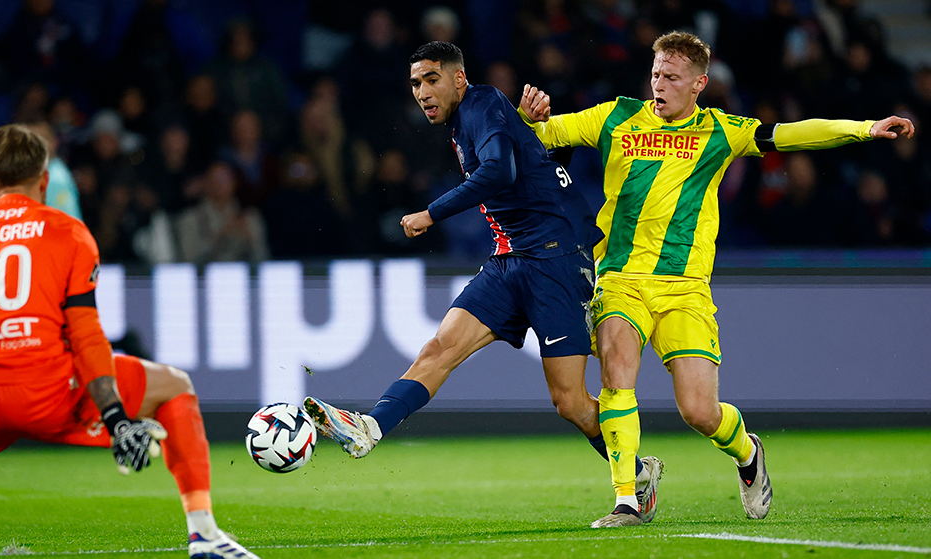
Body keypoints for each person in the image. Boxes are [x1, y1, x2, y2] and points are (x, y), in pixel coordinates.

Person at [517, 30, 916, 528]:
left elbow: (789, 134)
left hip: (685, 288)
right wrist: (529, 121)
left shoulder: (720, 131)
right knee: (617, 375)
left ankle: (747, 453)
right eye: (656, 73)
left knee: (699, 412)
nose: (659, 84)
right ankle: (627, 498)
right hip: (619, 277)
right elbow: (542, 137)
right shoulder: (616, 116)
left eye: (672, 77)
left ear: (699, 84)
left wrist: (863, 128)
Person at [0, 125, 258, 559]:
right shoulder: (68, 232)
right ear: (44, 179)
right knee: (175, 385)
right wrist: (117, 418)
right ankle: (204, 534)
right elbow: (86, 336)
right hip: (42, 392)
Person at [303, 41, 664, 522]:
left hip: (555, 259)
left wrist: (431, 213)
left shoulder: (483, 102)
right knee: (439, 348)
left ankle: (637, 472)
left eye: (432, 79)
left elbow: (500, 170)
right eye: (415, 83)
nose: (423, 92)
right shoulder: (476, 118)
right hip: (509, 258)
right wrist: (525, 126)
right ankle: (371, 426)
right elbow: (531, 163)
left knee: (570, 401)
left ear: (458, 78)